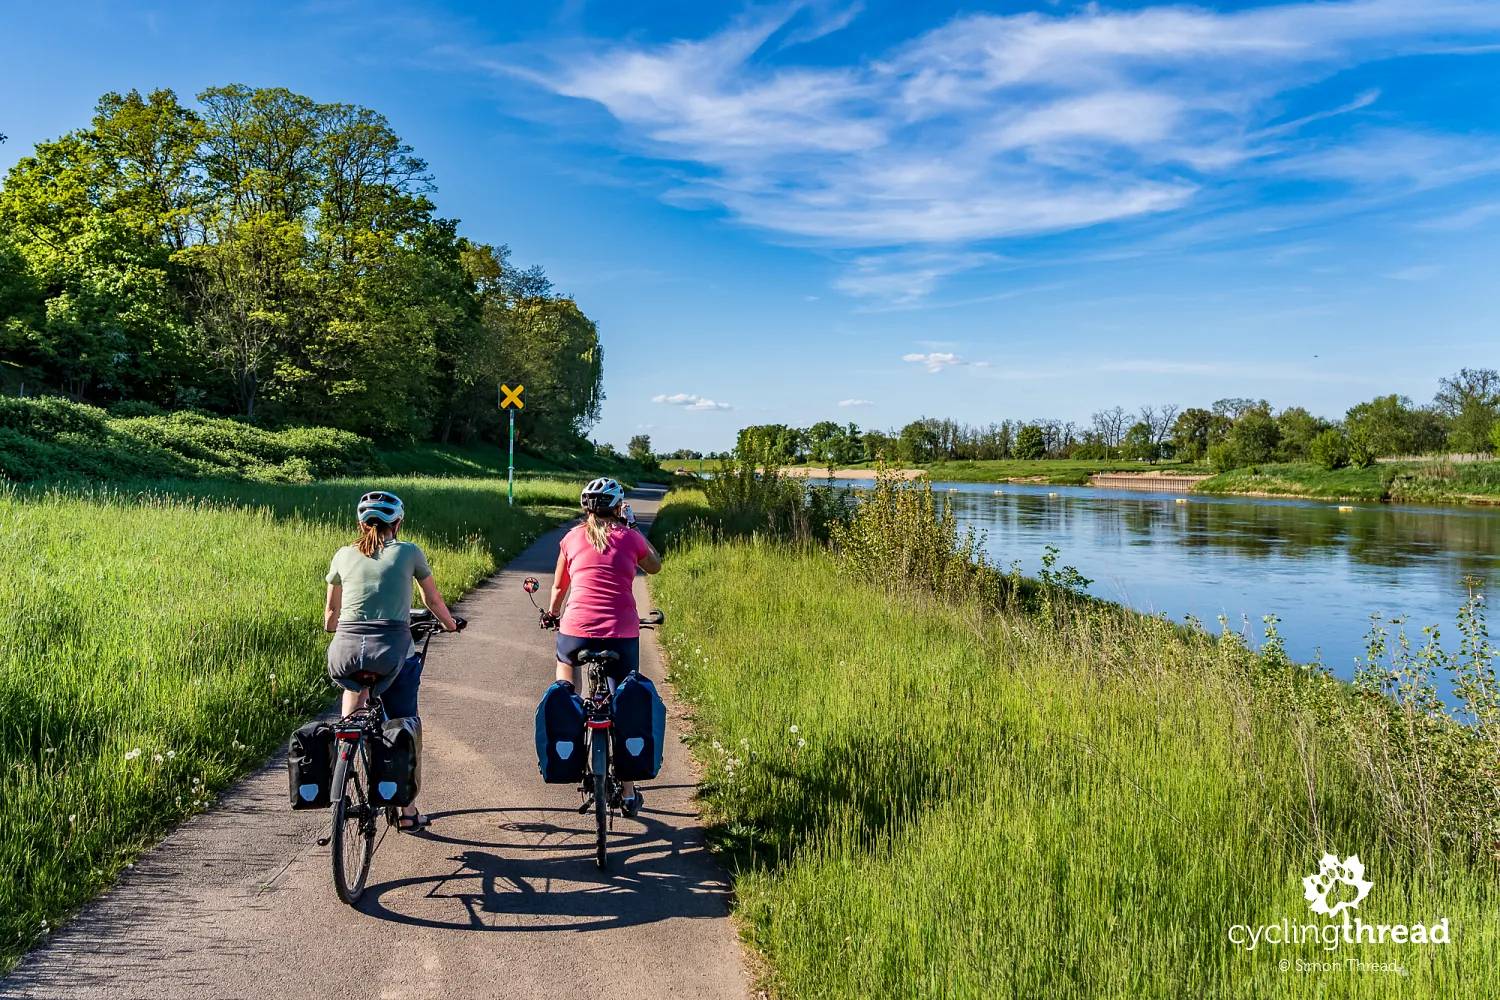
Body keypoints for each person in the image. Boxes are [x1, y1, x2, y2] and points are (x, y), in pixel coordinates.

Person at [324, 490, 459, 832]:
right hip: (392, 649)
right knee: (403, 726)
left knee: (352, 708)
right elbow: (433, 599)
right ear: (397, 523)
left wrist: (340, 626)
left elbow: (329, 617)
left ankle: (345, 758)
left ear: (360, 523)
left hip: (345, 652)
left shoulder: (342, 554)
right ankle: (408, 811)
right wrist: (450, 624)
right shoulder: (410, 552)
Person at [543, 477, 662, 816]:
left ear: (585, 508)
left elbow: (558, 588)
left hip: (576, 631)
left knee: (566, 671)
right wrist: (633, 525)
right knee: (623, 700)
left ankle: (570, 712)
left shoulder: (571, 538)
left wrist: (552, 615)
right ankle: (627, 791)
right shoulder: (630, 536)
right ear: (617, 507)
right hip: (621, 634)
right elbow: (654, 565)